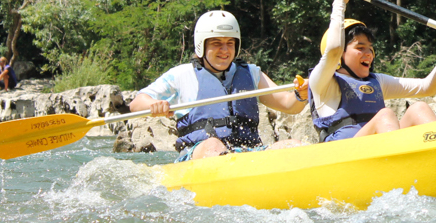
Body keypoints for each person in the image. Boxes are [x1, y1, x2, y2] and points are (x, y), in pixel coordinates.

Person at [129, 10, 308, 161]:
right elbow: (136, 104)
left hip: (248, 153)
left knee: (294, 146)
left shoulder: (252, 73)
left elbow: (288, 104)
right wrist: (153, 105)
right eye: (216, 43)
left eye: (230, 43)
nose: (225, 50)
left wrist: (302, 94)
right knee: (213, 145)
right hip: (198, 153)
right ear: (201, 46)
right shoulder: (182, 75)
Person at [308, 0, 436, 142]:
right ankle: (400, 162)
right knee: (385, 115)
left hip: (377, 151)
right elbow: (333, 49)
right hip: (343, 156)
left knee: (418, 108)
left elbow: (428, 87)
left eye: (370, 48)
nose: (369, 53)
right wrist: (339, 3)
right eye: (360, 48)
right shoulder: (322, 83)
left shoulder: (377, 82)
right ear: (340, 56)